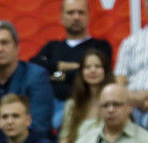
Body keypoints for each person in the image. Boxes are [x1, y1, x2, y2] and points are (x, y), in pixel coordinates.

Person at [30, 0, 112, 131]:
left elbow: (88, 76)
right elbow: (35, 66)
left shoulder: (100, 46)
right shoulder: (52, 47)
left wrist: (53, 73)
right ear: (62, 17)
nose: (76, 17)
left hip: (81, 104)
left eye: (81, 12)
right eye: (71, 13)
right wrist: (67, 67)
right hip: (47, 105)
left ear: (89, 16)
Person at [58, 49, 115, 143]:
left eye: (98, 66)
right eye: (87, 67)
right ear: (81, 72)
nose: (92, 70)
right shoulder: (72, 105)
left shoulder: (115, 103)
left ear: (106, 70)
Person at [114, 0, 148, 131]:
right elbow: (119, 81)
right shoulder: (130, 42)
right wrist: (134, 98)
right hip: (132, 107)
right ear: (144, 4)